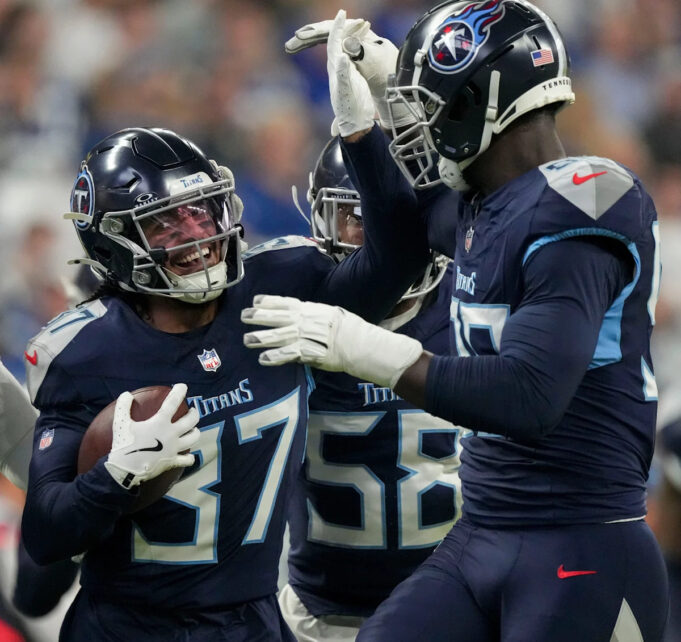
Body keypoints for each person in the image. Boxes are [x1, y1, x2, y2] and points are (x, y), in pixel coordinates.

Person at [243, 2, 669, 640]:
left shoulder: (588, 200)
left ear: (479, 103)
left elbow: (527, 398)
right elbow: (401, 241)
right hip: (482, 534)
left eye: (424, 108)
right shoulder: (485, 205)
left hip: (578, 540)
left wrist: (356, 345)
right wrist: (364, 128)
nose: (414, 127)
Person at [20, 21, 431, 640]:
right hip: (129, 626)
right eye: (167, 225)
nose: (198, 236)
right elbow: (46, 534)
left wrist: (363, 135)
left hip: (252, 620)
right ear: (112, 244)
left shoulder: (280, 283)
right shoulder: (85, 350)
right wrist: (113, 477)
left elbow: (399, 259)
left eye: (202, 211)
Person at [279, 136, 465, 641]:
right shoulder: (292, 311)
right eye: (356, 216)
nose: (381, 234)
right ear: (321, 219)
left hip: (456, 606)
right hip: (326, 616)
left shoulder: (473, 305)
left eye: (395, 217)